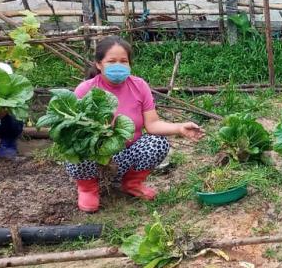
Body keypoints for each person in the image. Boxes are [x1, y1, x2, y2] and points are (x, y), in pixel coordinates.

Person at [67, 36, 204, 213]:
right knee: (76, 146)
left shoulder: (139, 86)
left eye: (124, 61)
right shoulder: (85, 89)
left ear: (130, 64)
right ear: (99, 64)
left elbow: (153, 124)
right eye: (111, 61)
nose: (118, 65)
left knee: (158, 142)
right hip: (95, 159)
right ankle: (88, 188)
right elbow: (72, 128)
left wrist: (179, 128)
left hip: (125, 155)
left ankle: (131, 183)